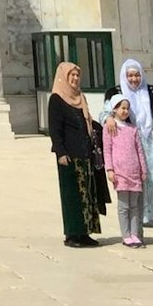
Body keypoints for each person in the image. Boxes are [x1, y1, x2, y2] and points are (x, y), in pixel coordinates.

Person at [107, 59, 153, 244]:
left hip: (151, 144)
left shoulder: (152, 92)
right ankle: (137, 232)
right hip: (130, 146)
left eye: (137, 75)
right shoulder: (116, 92)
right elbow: (107, 112)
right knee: (136, 191)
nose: (134, 79)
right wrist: (109, 118)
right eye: (130, 75)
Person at [48, 60, 105, 247]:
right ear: (63, 77)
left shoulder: (80, 98)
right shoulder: (56, 99)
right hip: (69, 156)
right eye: (71, 75)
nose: (74, 78)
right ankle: (72, 234)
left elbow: (88, 123)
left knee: (88, 195)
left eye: (77, 75)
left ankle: (86, 232)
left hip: (85, 154)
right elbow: (55, 129)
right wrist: (60, 152)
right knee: (72, 196)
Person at [101, 95, 148, 247]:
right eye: (122, 108)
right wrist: (110, 169)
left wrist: (143, 169)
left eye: (127, 108)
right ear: (114, 109)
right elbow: (107, 150)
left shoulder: (132, 129)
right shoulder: (109, 128)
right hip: (120, 173)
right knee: (123, 206)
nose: (125, 111)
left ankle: (135, 234)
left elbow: (139, 150)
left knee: (134, 206)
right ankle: (126, 235)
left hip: (134, 172)